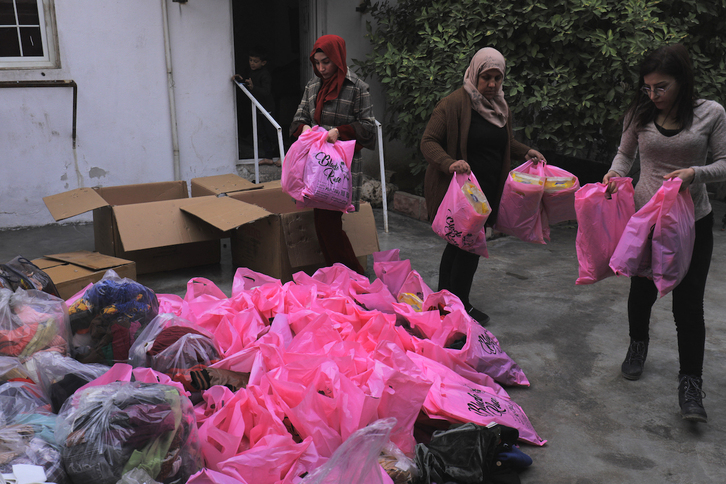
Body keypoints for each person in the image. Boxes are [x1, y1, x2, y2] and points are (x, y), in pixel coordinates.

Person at [603, 44, 726, 423]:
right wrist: (614, 174)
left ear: (682, 82)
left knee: (688, 305)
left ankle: (691, 384)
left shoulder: (711, 113)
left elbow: (724, 163)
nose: (654, 95)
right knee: (641, 293)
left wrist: (694, 173)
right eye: (648, 88)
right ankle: (638, 344)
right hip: (646, 219)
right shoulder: (639, 112)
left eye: (662, 87)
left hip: (692, 222)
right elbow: (625, 156)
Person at [421, 47, 545, 325]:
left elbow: (500, 143)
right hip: (460, 194)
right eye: (486, 77)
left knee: (465, 246)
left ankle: (447, 304)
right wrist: (450, 162)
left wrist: (525, 151)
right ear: (474, 74)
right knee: (462, 246)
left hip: (485, 192)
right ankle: (453, 306)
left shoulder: (499, 108)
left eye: (497, 78)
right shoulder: (453, 104)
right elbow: (428, 142)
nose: (491, 84)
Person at [289, 34, 376, 274]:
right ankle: (341, 275)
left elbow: (368, 128)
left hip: (340, 168)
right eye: (316, 62)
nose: (321, 68)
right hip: (317, 166)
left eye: (326, 61)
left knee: (328, 224)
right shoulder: (313, 86)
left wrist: (339, 131)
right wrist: (304, 128)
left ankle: (354, 276)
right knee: (323, 223)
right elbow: (299, 117)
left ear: (338, 58)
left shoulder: (357, 88)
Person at [234, 46, 278, 165]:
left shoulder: (265, 74)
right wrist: (238, 79)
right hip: (257, 108)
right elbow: (248, 83)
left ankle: (282, 156)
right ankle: (269, 157)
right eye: (250, 60)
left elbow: (266, 92)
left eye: (255, 61)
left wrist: (254, 88)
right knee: (263, 134)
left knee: (272, 134)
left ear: (263, 63)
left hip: (267, 108)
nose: (252, 63)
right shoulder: (251, 72)